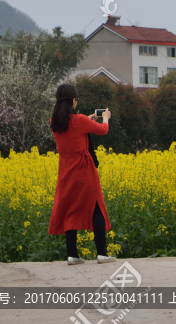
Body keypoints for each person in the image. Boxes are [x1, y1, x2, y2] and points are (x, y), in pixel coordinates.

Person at [47, 83, 116, 265]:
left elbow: (72, 127)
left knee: (71, 208)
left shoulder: (54, 121)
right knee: (95, 207)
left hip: (66, 169)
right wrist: (105, 118)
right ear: (74, 100)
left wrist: (86, 118)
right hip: (83, 168)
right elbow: (103, 130)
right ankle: (101, 253)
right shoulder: (80, 121)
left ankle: (72, 255)